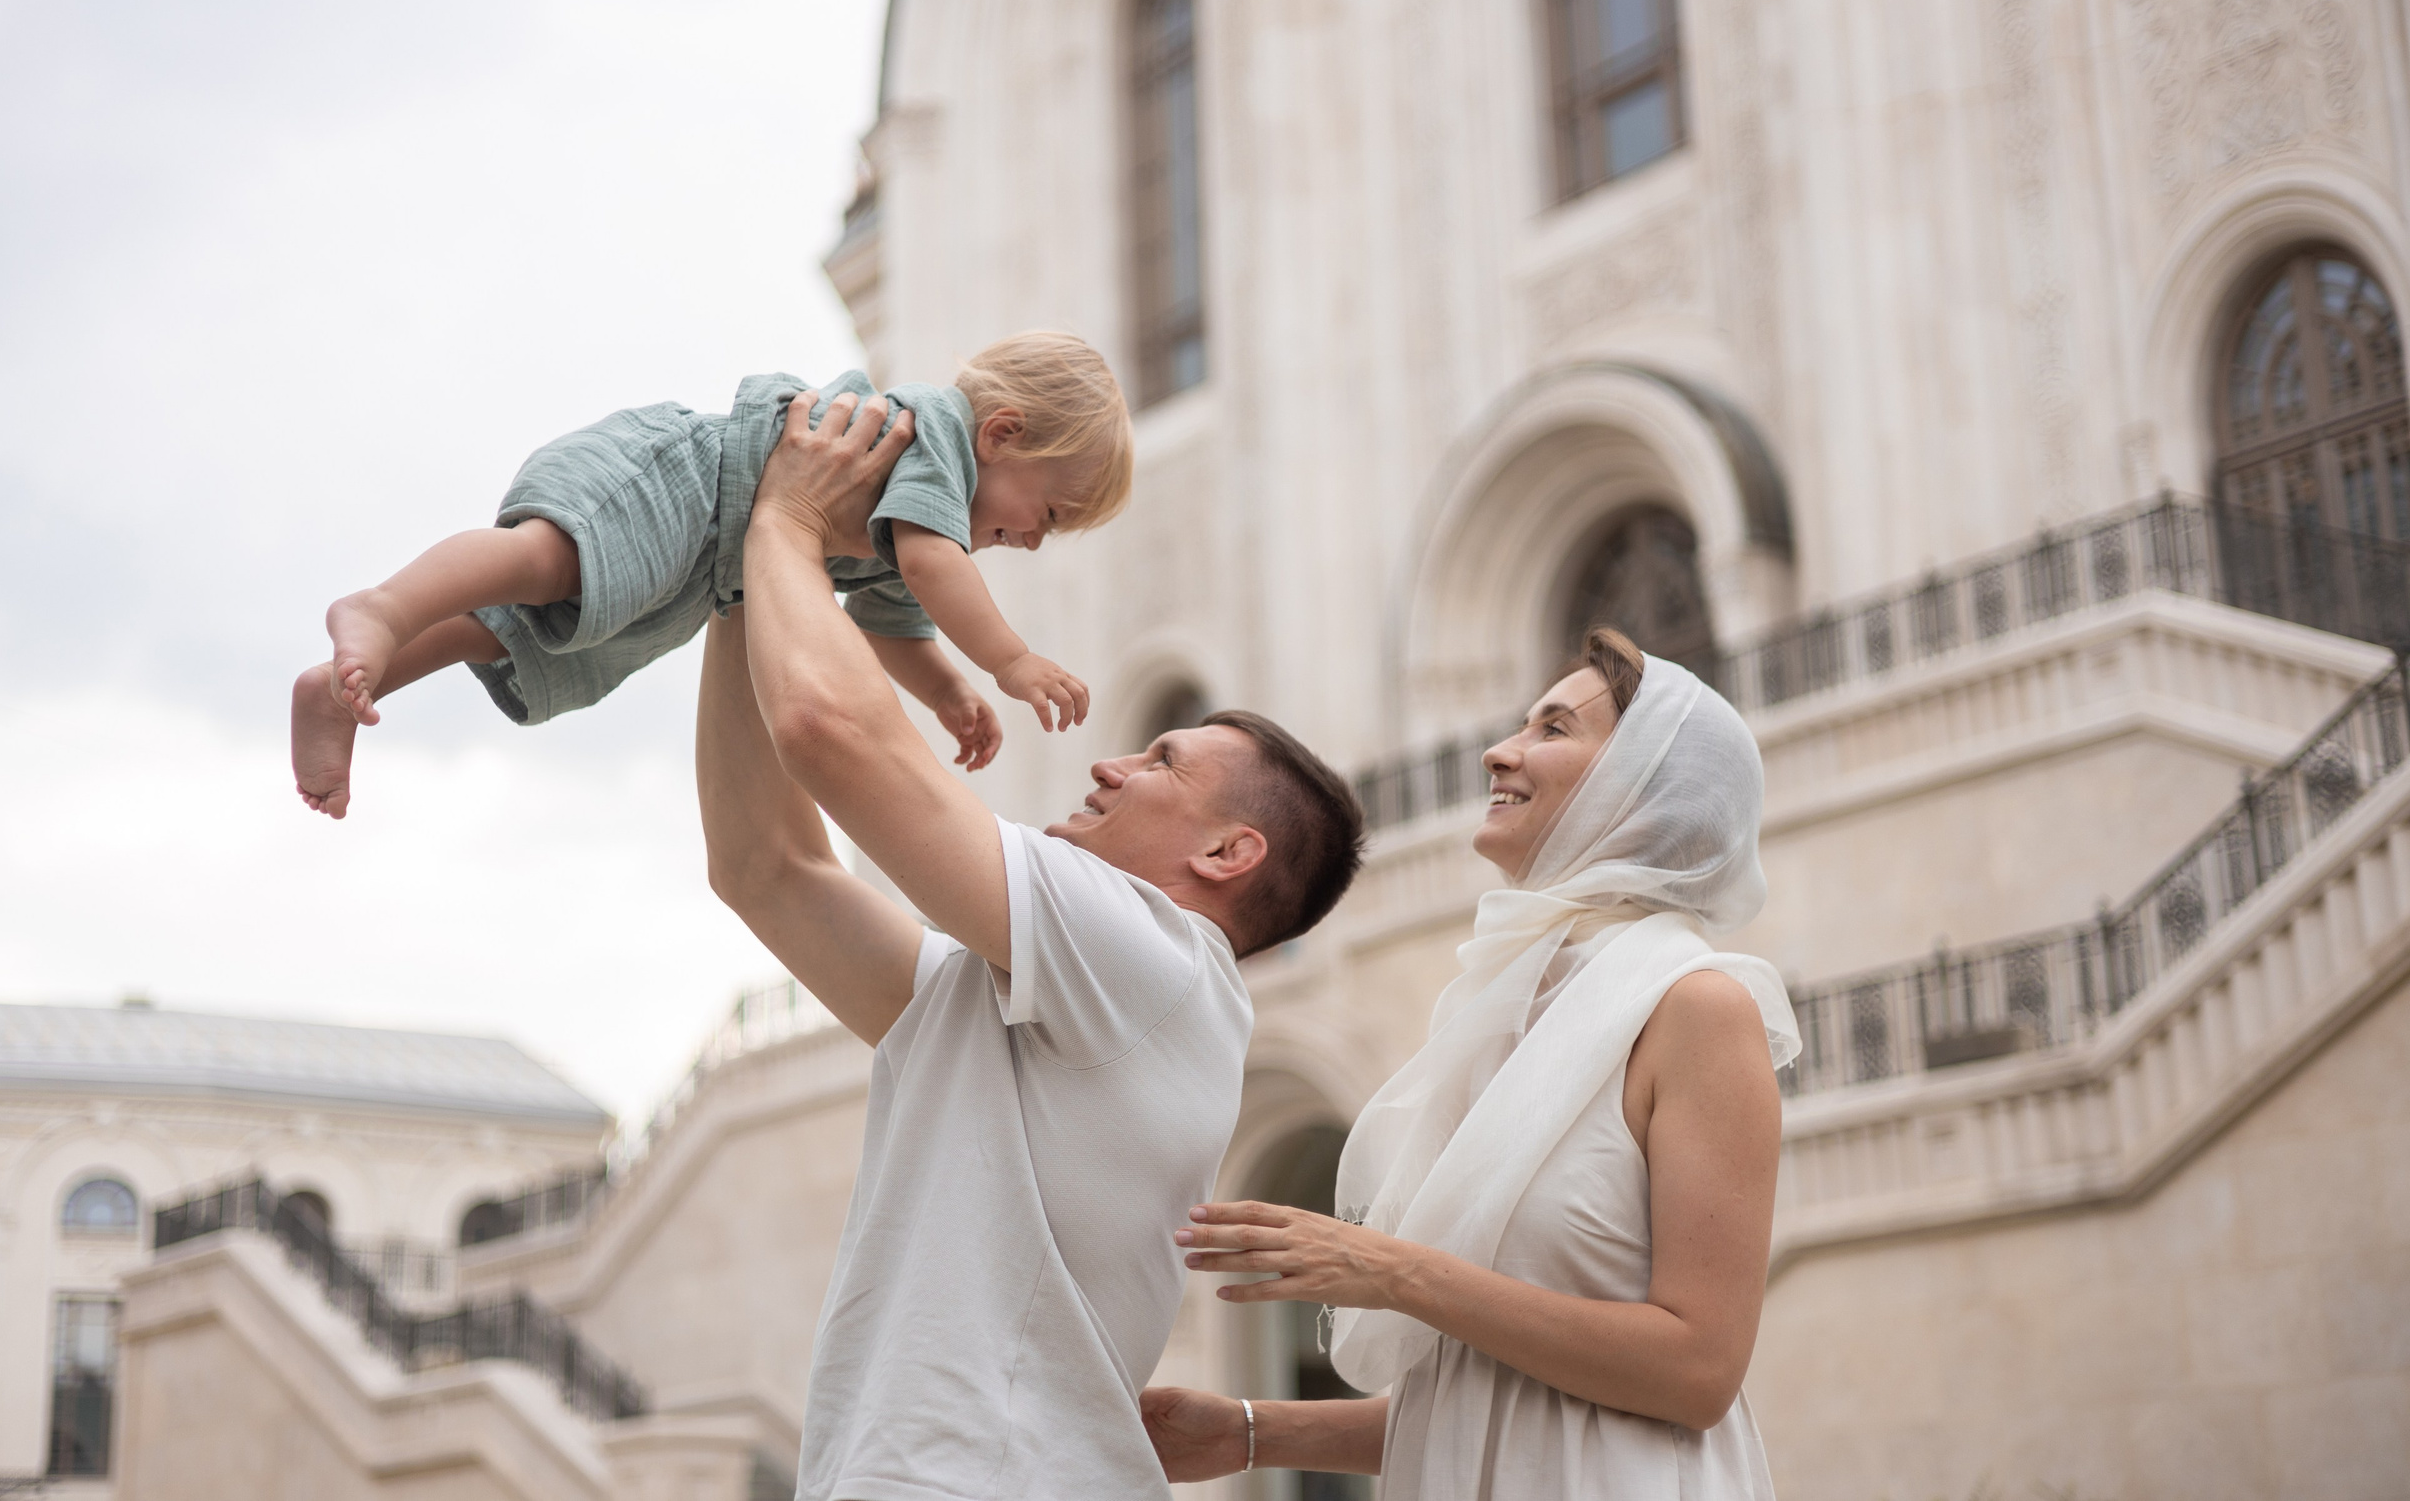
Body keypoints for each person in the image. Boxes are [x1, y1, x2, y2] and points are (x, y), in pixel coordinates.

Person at [698, 393, 1366, 1501]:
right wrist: (740, 581)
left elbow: (832, 730)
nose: (1109, 767)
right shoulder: (1054, 997)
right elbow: (768, 867)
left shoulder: (1153, 954)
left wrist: (784, 522)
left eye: (1161, 760)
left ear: (1228, 851)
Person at [1143, 627, 1799, 1498]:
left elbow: (1696, 1371)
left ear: (1645, 783)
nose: (1501, 750)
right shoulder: (1507, 1009)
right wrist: (1249, 1431)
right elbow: (1486, 1388)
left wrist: (1389, 1271)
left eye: (1553, 729)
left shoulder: (1697, 1007)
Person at [289, 330, 1130, 817]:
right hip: (687, 478)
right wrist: (1010, 662)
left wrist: (945, 691)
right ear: (1004, 434)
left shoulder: (911, 523)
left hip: (706, 564)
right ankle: (381, 607)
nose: (1030, 542)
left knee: (519, 630)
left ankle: (345, 687)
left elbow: (894, 622)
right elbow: (932, 565)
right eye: (1047, 515)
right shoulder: (935, 440)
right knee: (542, 563)